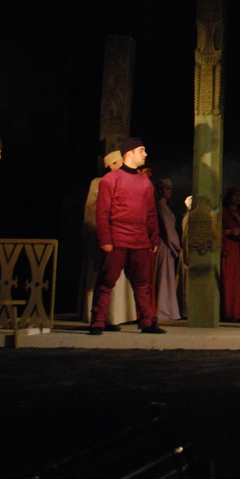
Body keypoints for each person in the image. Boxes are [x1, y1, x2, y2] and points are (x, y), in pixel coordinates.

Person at [89, 138, 165, 335]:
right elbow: (102, 212)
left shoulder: (144, 181)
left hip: (140, 239)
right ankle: (97, 322)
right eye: (142, 150)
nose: (145, 154)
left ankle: (147, 321)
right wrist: (105, 239)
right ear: (129, 153)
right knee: (106, 282)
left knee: (142, 283)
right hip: (117, 238)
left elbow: (150, 212)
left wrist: (154, 237)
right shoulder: (110, 179)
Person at [77, 150, 138, 328]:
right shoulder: (99, 182)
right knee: (101, 273)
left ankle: (115, 316)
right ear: (111, 165)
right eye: (120, 162)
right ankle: (99, 316)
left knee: (117, 275)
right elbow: (92, 210)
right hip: (103, 236)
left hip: (121, 235)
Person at [220, 186, 240, 322]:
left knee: (234, 281)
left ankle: (235, 313)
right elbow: (213, 230)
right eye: (235, 195)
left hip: (235, 248)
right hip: (225, 246)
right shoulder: (222, 212)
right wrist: (228, 232)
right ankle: (226, 313)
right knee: (226, 280)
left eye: (239, 196)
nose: (238, 198)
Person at [155, 178, 182, 322]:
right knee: (164, 278)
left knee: (167, 278)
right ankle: (163, 310)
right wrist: (176, 246)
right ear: (160, 190)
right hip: (165, 245)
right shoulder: (161, 207)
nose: (170, 191)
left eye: (171, 188)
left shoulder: (164, 207)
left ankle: (167, 310)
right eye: (167, 188)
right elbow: (168, 229)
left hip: (167, 244)